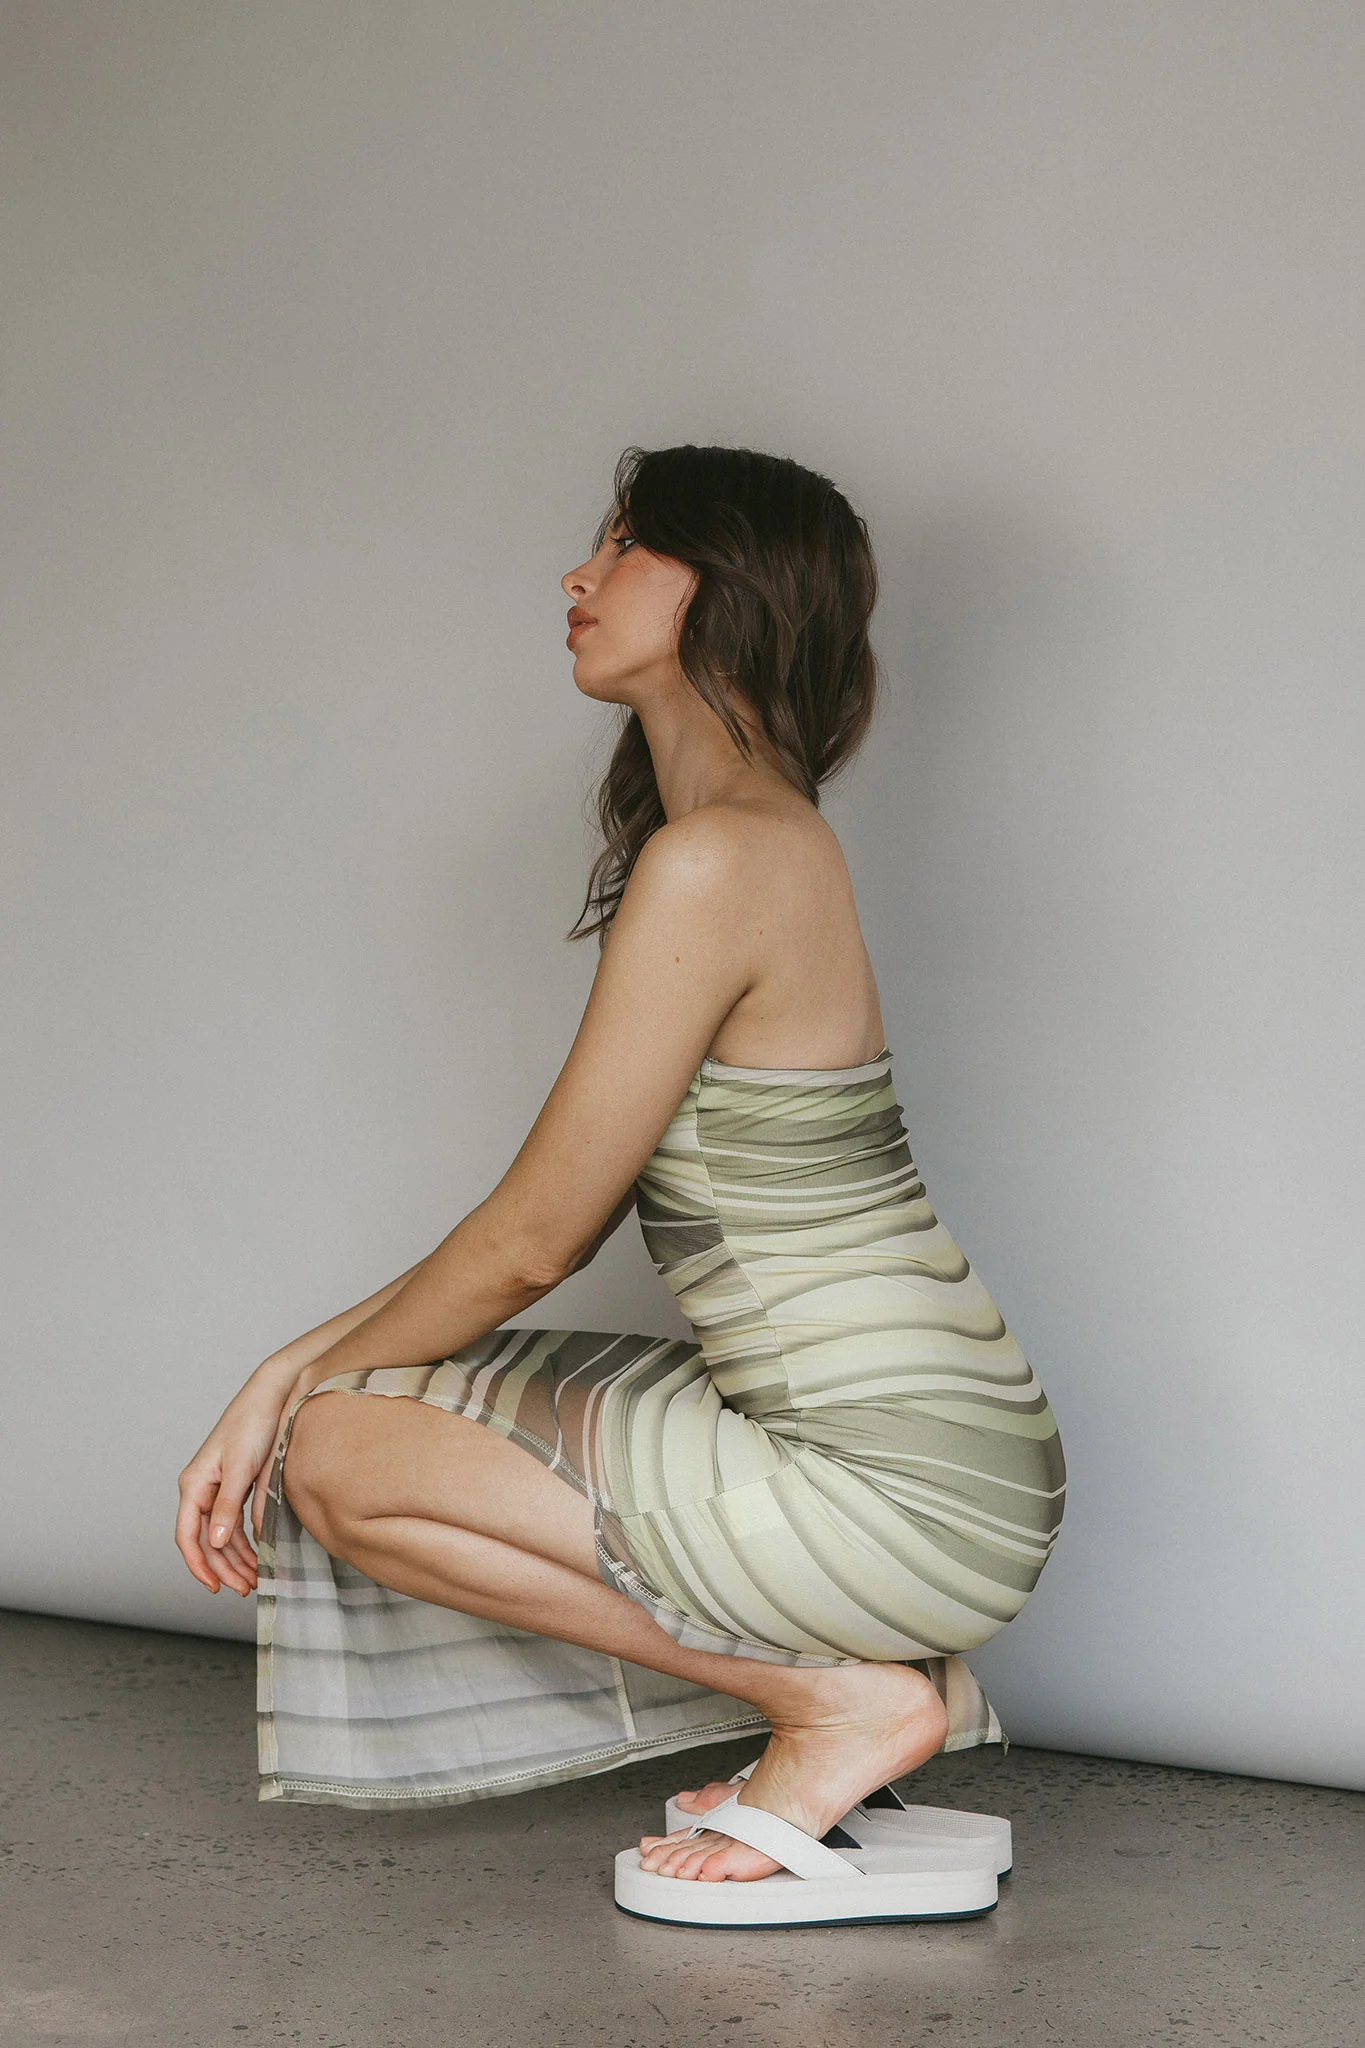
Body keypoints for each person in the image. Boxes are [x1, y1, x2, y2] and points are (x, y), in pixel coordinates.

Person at [176, 442, 1065, 1896]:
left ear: (729, 585)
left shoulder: (725, 860)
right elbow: (533, 1236)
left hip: (902, 1482)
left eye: (627, 546)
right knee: (366, 1407)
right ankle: (851, 1690)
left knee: (335, 1447)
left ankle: (839, 1702)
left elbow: (538, 1238)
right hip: (935, 1447)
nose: (577, 577)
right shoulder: (749, 842)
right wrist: (303, 1367)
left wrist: (283, 1380)